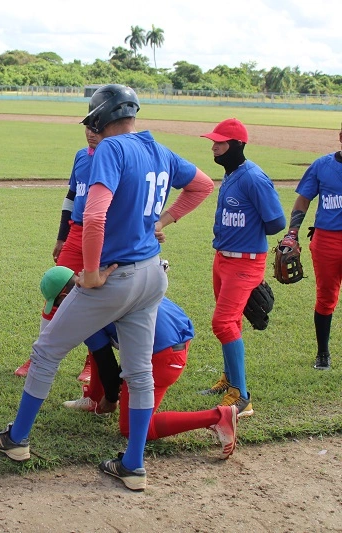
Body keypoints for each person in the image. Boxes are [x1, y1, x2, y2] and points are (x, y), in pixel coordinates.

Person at [0, 84, 214, 492]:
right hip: (151, 275)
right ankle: (132, 465)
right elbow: (202, 185)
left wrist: (90, 272)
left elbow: (93, 217)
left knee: (46, 351)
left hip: (116, 276)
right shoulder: (158, 149)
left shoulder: (111, 148)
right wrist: (163, 222)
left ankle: (16, 440)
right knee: (139, 371)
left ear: (100, 117)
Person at [39, 268, 238, 459]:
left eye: (57, 306)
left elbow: (106, 361)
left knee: (132, 428)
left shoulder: (85, 309)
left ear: (65, 298)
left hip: (163, 355)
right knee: (100, 349)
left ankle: (217, 417)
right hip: (174, 333)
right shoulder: (101, 281)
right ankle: (93, 398)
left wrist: (110, 398)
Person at [199, 119, 285, 414]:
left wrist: (248, 234)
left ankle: (242, 397)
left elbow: (276, 222)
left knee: (222, 323)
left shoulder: (253, 177)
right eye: (213, 143)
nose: (214, 148)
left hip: (245, 262)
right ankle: (229, 380)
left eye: (220, 144)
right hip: (223, 258)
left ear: (236, 146)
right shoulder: (232, 174)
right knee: (230, 322)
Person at [15, 126, 103, 389]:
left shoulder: (115, 158)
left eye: (97, 129)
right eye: (88, 128)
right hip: (76, 232)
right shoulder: (81, 156)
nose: (91, 133)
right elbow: (71, 196)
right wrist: (62, 236)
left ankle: (93, 362)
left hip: (104, 232)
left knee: (99, 298)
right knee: (56, 289)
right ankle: (40, 357)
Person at [287, 123, 342, 370]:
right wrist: (292, 233)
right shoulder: (322, 165)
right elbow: (303, 200)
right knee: (326, 297)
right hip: (327, 241)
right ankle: (323, 353)